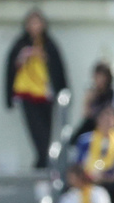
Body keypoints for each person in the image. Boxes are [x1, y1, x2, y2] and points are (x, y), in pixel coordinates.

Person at [5, 11, 68, 170]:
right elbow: (11, 69)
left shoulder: (49, 44)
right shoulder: (21, 44)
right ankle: (43, 162)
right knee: (37, 132)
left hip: (46, 95)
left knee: (48, 131)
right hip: (27, 95)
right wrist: (25, 56)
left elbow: (58, 69)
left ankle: (44, 163)